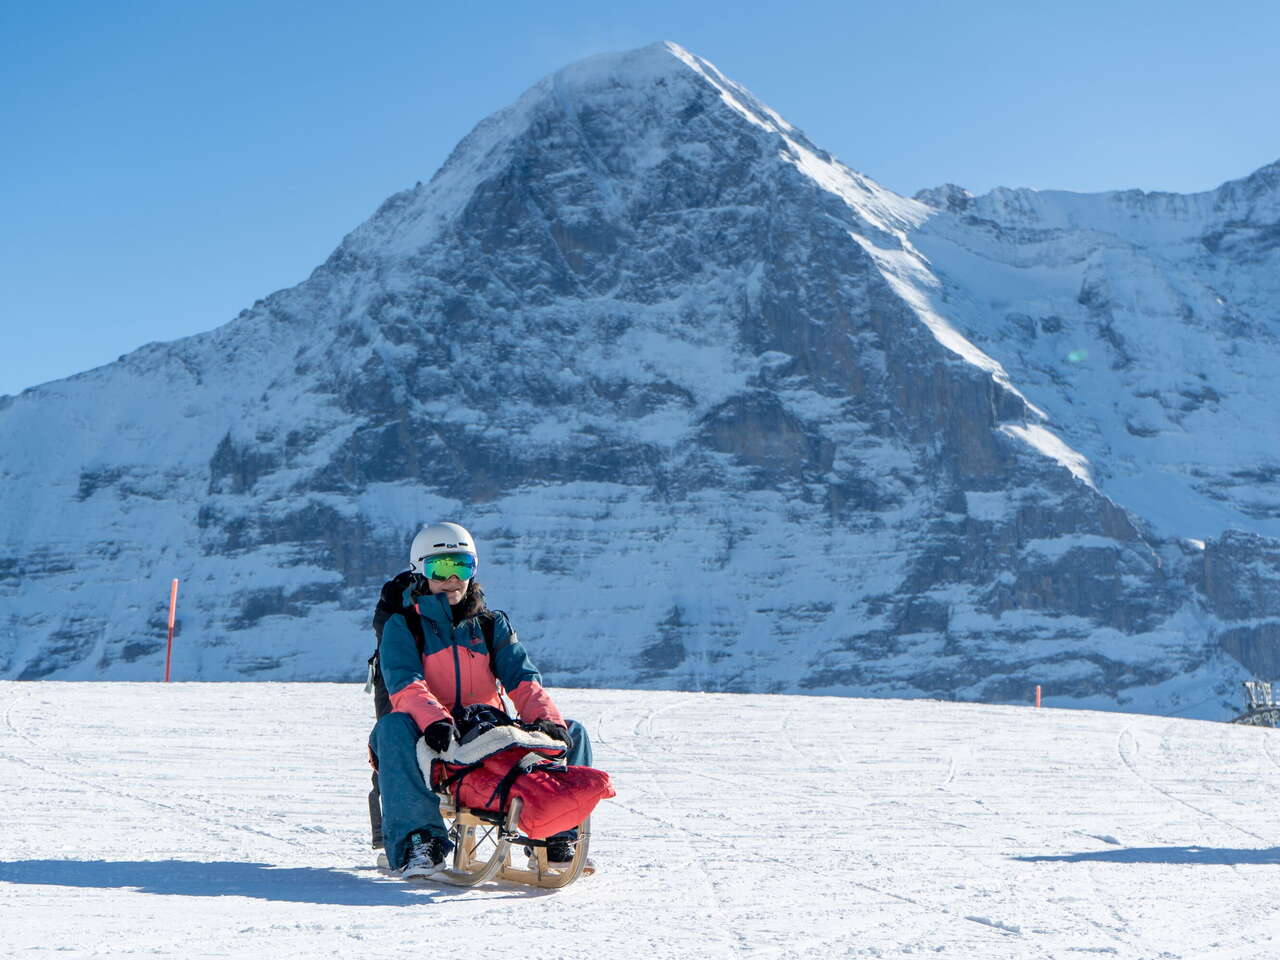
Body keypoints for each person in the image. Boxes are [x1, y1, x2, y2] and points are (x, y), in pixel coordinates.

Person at [367, 521, 593, 879]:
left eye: (463, 566)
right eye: (441, 568)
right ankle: (419, 841)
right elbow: (405, 684)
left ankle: (557, 837)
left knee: (573, 732)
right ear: (420, 570)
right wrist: (436, 722)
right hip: (436, 738)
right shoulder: (403, 625)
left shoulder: (490, 625)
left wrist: (546, 719)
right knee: (392, 728)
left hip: (488, 734)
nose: (453, 578)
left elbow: (522, 679)